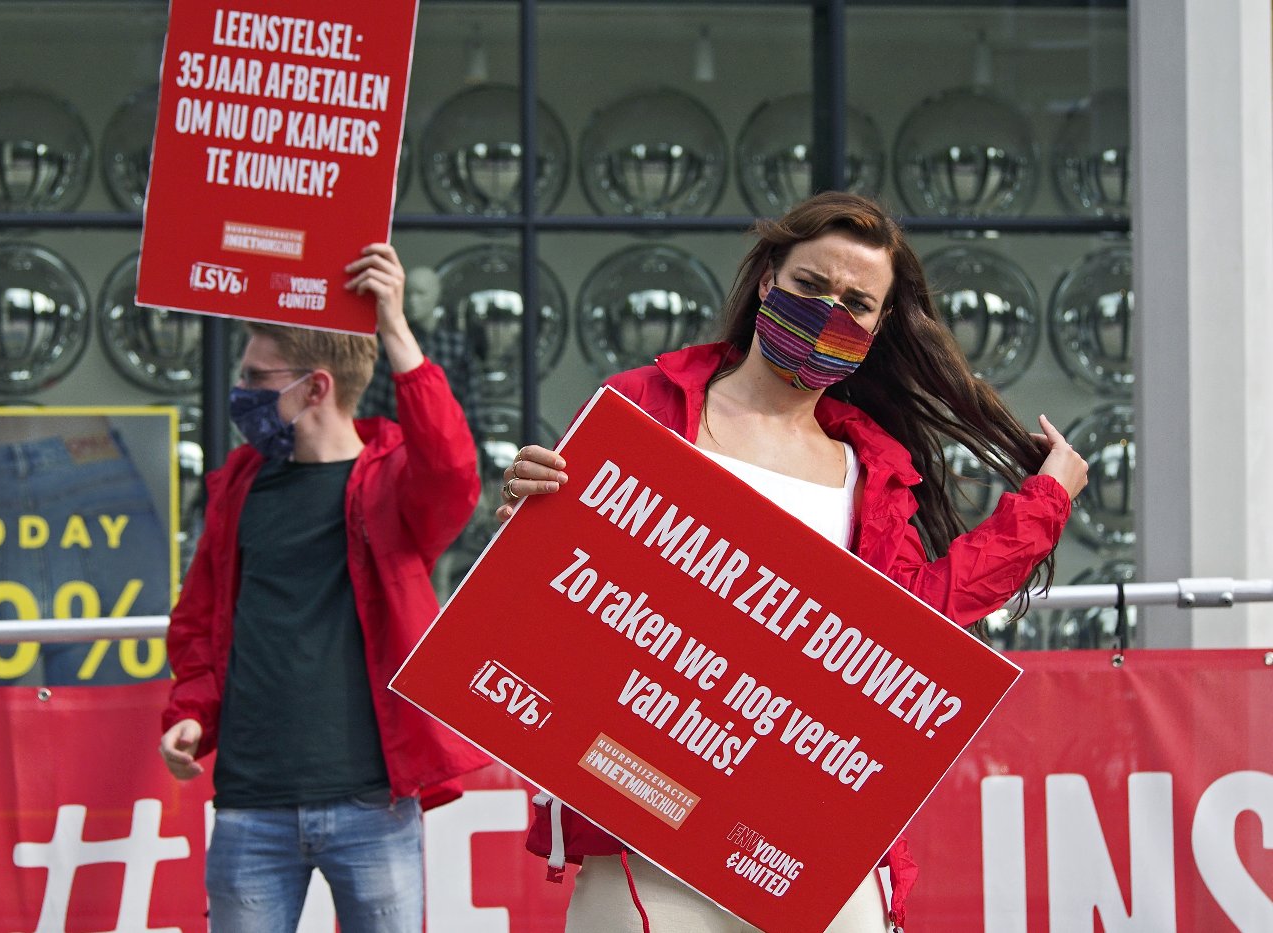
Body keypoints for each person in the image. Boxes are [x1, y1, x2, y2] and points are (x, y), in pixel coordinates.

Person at [494, 193, 1088, 933]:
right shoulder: (645, 407)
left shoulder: (873, 471)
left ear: (878, 327)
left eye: (856, 302)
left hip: (811, 844)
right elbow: (560, 592)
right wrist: (533, 513)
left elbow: (916, 619)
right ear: (768, 281)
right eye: (812, 287)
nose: (830, 314)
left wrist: (1046, 502)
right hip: (649, 831)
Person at [158, 242, 489, 933]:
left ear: (315, 386)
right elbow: (202, 626)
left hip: (371, 803)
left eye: (255, 377)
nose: (240, 391)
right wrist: (191, 713)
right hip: (251, 805)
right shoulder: (237, 489)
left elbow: (454, 473)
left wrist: (395, 326)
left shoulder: (391, 483)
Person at [356, 264, 482, 436]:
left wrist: (472, 441)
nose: (412, 300)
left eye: (421, 293)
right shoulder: (390, 341)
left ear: (436, 295)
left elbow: (470, 401)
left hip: (443, 437)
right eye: (408, 293)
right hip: (396, 437)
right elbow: (375, 397)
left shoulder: (456, 344)